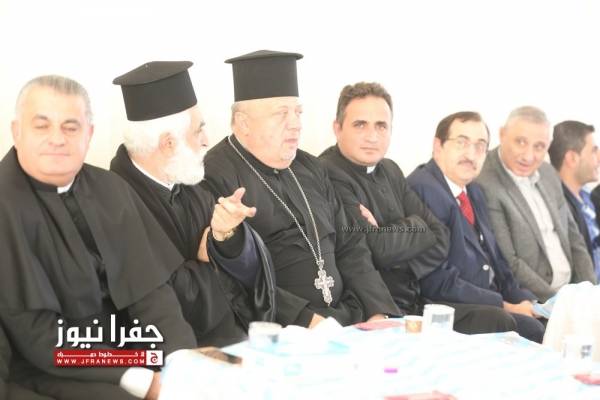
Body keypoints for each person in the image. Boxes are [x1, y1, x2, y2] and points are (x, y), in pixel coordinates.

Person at [0, 75, 196, 400]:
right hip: (50, 368)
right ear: (17, 131)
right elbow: (37, 337)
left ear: (88, 134)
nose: (57, 139)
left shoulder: (111, 188)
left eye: (70, 127)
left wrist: (180, 359)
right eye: (42, 126)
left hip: (129, 353)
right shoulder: (4, 205)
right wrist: (138, 376)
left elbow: (151, 295)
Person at [204, 50, 400, 328]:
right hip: (282, 328)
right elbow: (236, 275)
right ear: (244, 122)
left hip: (347, 319)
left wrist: (378, 311)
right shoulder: (214, 173)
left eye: (298, 112)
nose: (296, 124)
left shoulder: (312, 167)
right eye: (281, 114)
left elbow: (351, 246)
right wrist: (308, 321)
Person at [319, 82, 522, 335]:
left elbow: (439, 235)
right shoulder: (327, 173)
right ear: (337, 128)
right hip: (372, 307)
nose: (372, 137)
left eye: (381, 126)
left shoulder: (390, 169)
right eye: (360, 125)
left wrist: (388, 240)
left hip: (414, 302)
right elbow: (373, 248)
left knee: (498, 320)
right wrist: (412, 231)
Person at [110, 61, 276, 347]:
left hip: (234, 340)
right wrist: (208, 259)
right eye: (198, 132)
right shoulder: (116, 204)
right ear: (168, 144)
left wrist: (225, 238)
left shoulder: (192, 186)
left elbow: (251, 273)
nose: (207, 141)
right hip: (172, 354)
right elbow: (164, 300)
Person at [407, 111, 545, 342]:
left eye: (480, 146)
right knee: (529, 328)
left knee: (550, 320)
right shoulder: (422, 190)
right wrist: (506, 305)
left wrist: (528, 302)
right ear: (438, 146)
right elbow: (435, 280)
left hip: (484, 301)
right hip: (443, 307)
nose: (471, 155)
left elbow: (498, 261)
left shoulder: (474, 191)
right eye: (461, 142)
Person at [476, 106, 596, 301]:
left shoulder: (548, 173)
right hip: (536, 300)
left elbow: (575, 240)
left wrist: (590, 295)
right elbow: (509, 261)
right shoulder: (485, 181)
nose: (528, 156)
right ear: (502, 134)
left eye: (539, 146)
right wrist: (558, 304)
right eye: (521, 142)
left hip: (572, 296)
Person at [548, 120, 600, 280]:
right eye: (593, 151)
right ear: (571, 158)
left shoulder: (588, 197)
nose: (599, 158)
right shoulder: (558, 208)